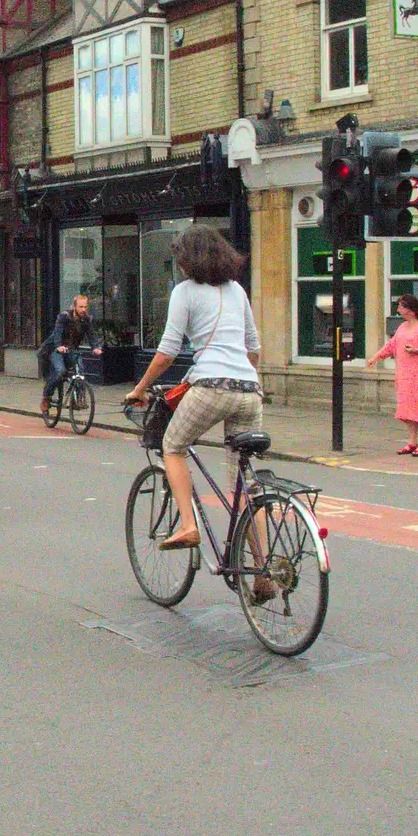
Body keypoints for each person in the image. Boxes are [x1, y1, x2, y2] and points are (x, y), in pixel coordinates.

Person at [123, 224, 273, 599]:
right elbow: (253, 345)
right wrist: (252, 379)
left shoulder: (185, 292)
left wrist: (139, 389)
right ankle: (264, 571)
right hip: (249, 391)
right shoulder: (237, 291)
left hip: (210, 387)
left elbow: (167, 352)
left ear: (190, 260)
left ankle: (188, 525)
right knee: (245, 485)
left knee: (173, 445)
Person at [366, 293, 418, 456]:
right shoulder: (402, 327)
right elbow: (391, 345)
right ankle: (412, 442)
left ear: (410, 310)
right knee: (408, 410)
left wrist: (417, 350)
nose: (398, 310)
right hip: (404, 375)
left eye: (401, 307)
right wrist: (376, 357)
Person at [38, 294, 102, 409]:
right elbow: (57, 332)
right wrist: (58, 346)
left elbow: (91, 335)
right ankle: (46, 396)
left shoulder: (86, 319)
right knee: (60, 371)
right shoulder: (64, 316)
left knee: (80, 372)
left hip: (72, 350)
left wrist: (95, 347)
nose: (83, 310)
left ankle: (79, 399)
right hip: (56, 351)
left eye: (85, 307)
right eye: (81, 307)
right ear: (74, 306)